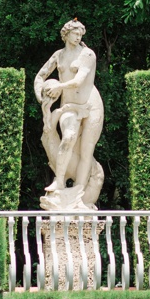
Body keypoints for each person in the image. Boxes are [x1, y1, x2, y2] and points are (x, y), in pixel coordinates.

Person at [34, 18, 105, 210]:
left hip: (90, 105)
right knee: (69, 137)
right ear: (66, 34)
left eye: (81, 34)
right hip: (69, 106)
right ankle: (59, 181)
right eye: (75, 33)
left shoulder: (87, 55)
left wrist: (59, 86)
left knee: (86, 150)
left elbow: (79, 81)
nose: (79, 36)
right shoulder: (58, 56)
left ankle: (79, 195)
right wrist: (41, 96)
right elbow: (40, 76)